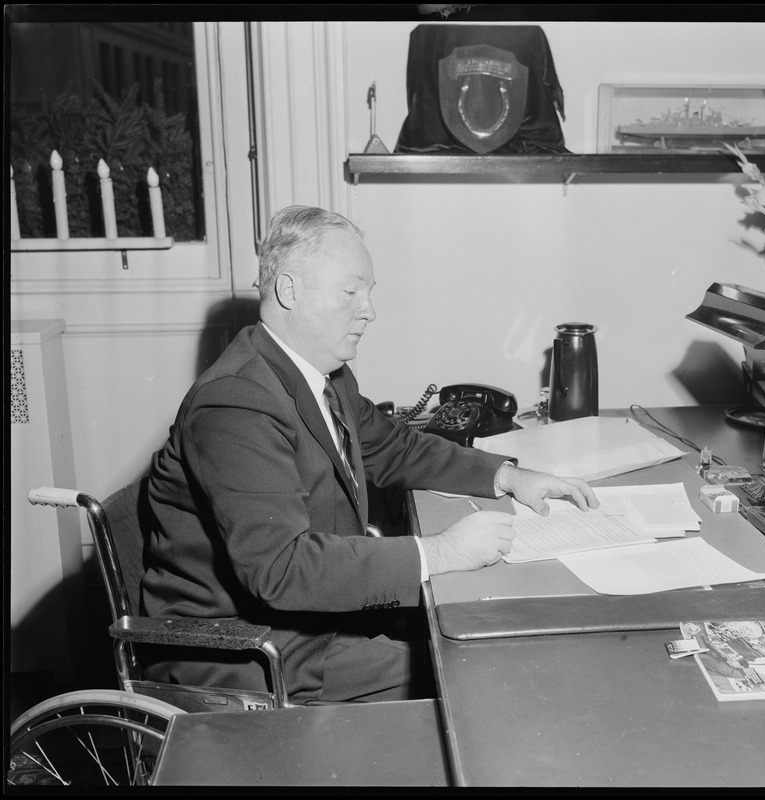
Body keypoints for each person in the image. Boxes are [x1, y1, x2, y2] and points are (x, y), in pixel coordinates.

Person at [142, 205, 597, 703]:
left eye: (370, 292)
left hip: (313, 620)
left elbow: (393, 446)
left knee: (490, 644)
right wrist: (441, 552)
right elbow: (280, 568)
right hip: (249, 649)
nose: (369, 310)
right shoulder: (236, 402)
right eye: (351, 291)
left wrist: (509, 477)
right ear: (289, 290)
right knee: (478, 678)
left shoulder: (320, 374)